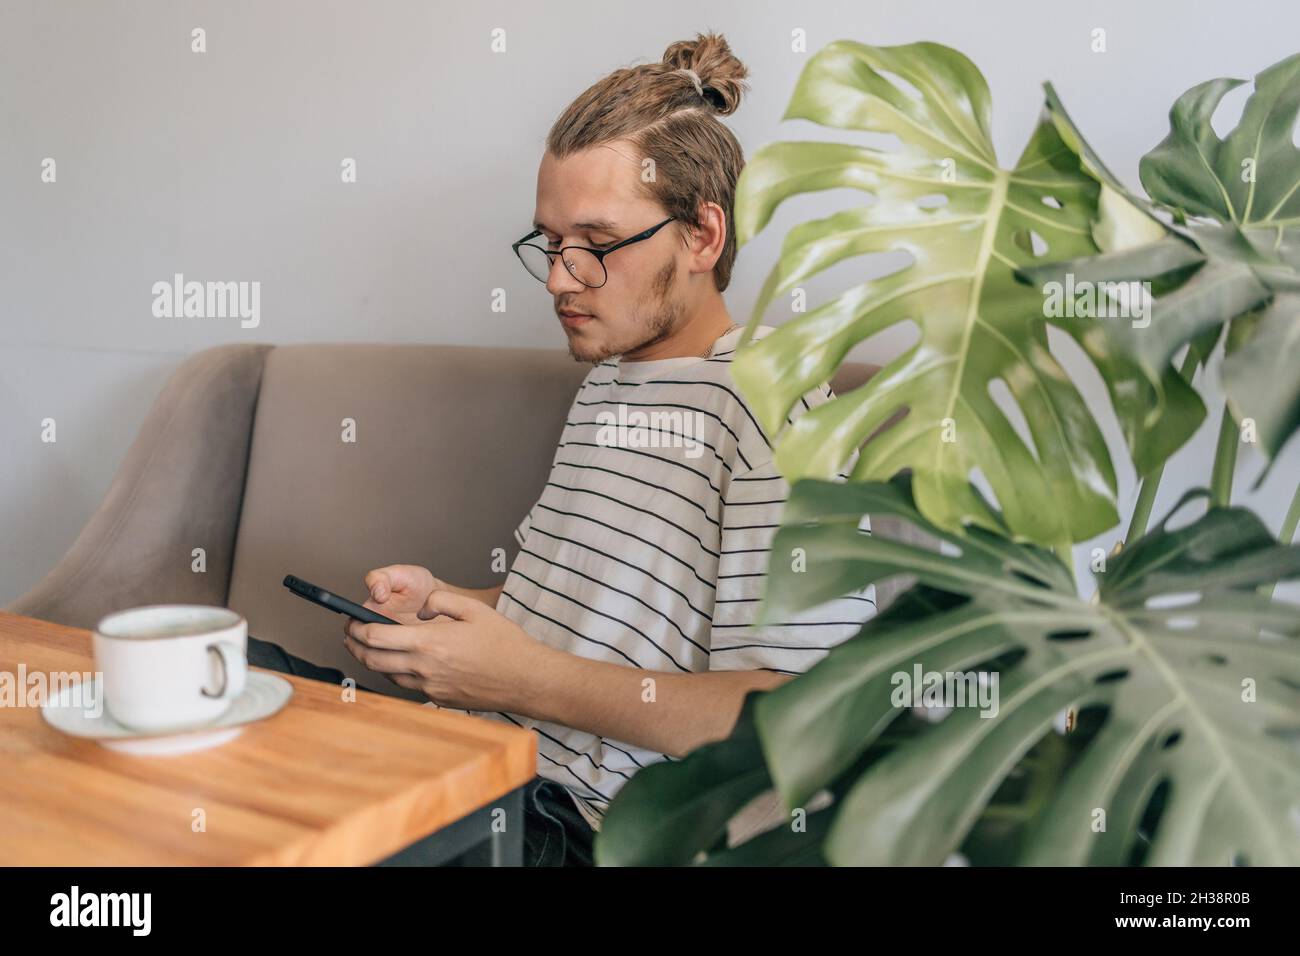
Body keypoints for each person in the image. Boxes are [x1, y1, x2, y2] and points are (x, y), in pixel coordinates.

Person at [248, 30, 875, 866]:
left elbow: (800, 715)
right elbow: (595, 609)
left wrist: (514, 681)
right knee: (227, 673)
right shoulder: (611, 383)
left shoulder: (775, 411)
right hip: (472, 757)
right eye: (549, 241)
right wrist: (451, 609)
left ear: (702, 236)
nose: (558, 278)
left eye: (596, 243)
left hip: (572, 826)